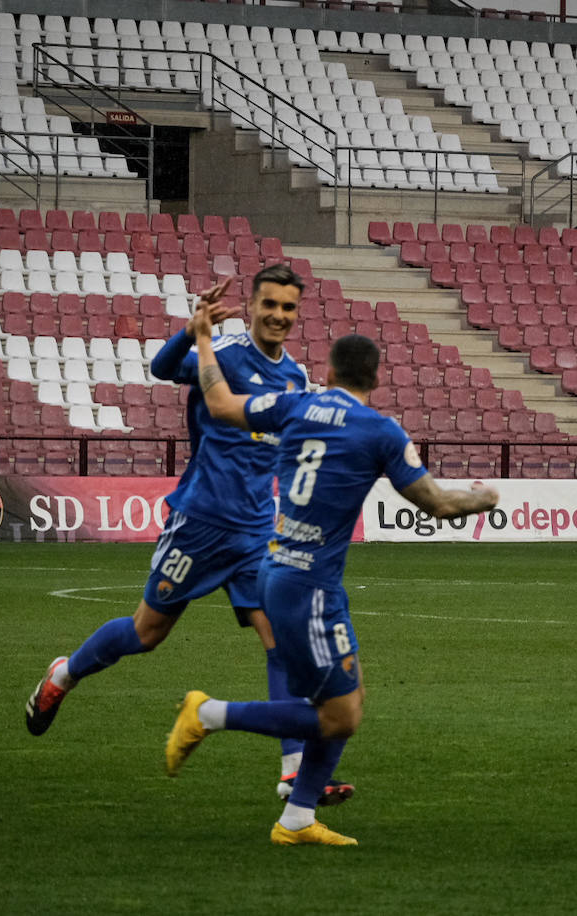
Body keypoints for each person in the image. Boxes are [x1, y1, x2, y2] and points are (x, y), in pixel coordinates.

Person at [163, 314, 498, 847]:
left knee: (350, 699)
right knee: (339, 716)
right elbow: (437, 503)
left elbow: (223, 406)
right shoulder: (380, 430)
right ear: (377, 378)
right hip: (308, 585)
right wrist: (485, 496)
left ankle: (297, 818)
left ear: (329, 369)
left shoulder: (299, 405)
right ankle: (208, 714)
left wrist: (204, 342)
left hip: (285, 572)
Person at [25, 264, 351, 806]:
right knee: (146, 633)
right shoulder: (219, 352)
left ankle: (293, 769)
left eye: (288, 308)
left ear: (296, 315)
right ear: (251, 306)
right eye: (268, 304)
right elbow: (161, 366)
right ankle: (66, 671)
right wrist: (191, 329)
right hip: (198, 523)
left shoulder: (295, 378)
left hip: (254, 532)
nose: (277, 315)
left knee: (282, 642)